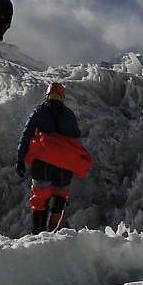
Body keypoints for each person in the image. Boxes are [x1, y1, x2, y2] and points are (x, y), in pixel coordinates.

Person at [16, 82, 85, 233]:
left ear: (47, 95)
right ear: (62, 96)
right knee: (60, 195)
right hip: (64, 164)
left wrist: (20, 159)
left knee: (40, 198)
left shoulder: (39, 111)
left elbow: (26, 134)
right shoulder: (69, 114)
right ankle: (54, 228)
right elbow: (76, 136)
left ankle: (38, 231)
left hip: (42, 162)